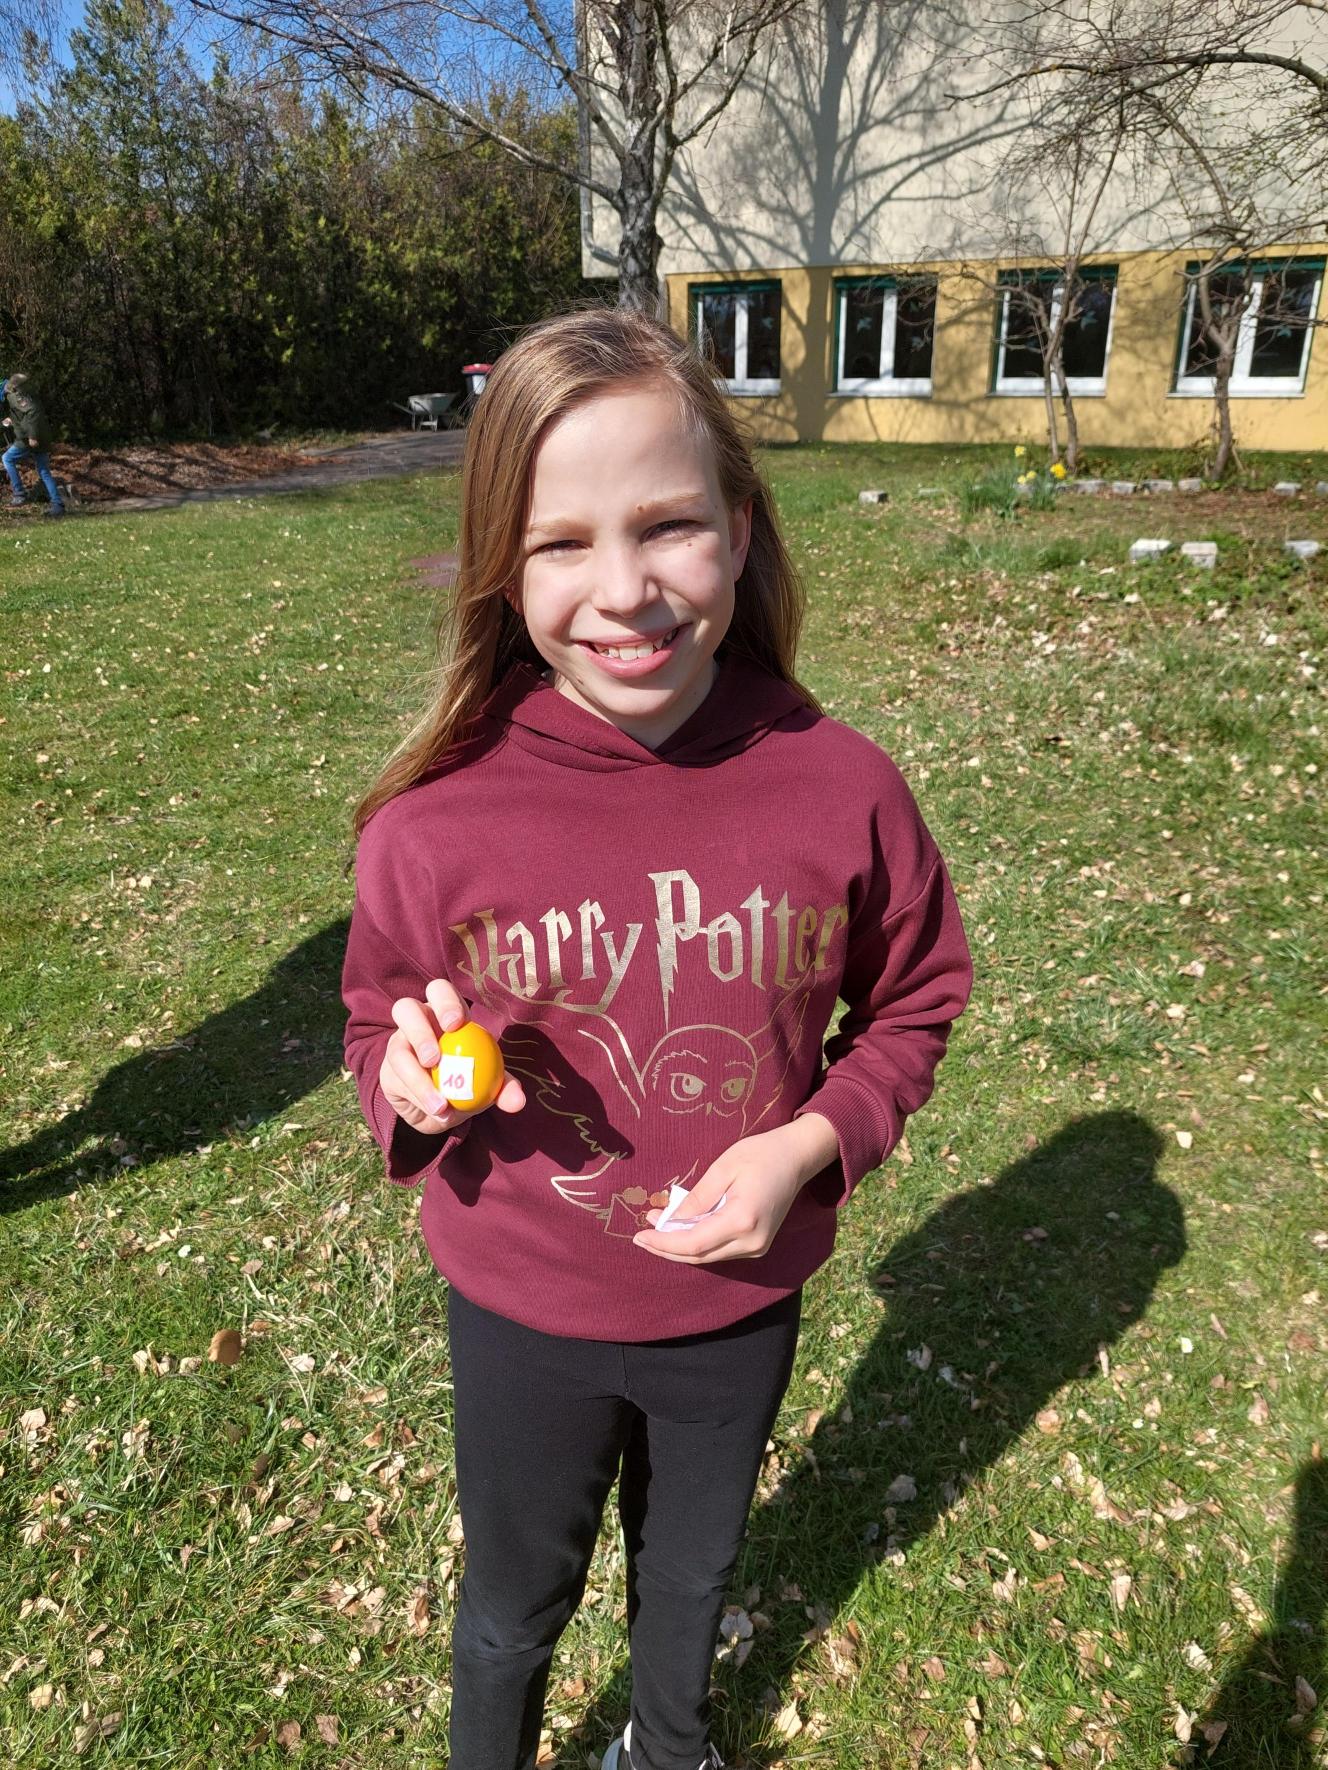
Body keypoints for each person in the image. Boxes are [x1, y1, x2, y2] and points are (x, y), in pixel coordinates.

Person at [341, 308, 973, 1770]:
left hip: (734, 1306)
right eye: (562, 542)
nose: (623, 589)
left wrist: (809, 1144)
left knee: (688, 1584)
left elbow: (917, 996)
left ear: (739, 530)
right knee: (512, 1609)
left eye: (669, 524)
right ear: (502, 567)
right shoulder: (434, 824)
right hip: (524, 1310)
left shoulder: (840, 787)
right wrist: (405, 1077)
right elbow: (379, 1012)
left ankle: (665, 1751)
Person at [1, 373, 66, 517]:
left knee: (7, 458)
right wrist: (12, 420)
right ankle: (58, 505)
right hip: (42, 436)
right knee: (44, 471)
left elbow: (33, 412)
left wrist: (32, 436)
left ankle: (19, 494)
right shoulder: (26, 394)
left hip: (29, 438)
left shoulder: (14, 396)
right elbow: (25, 413)